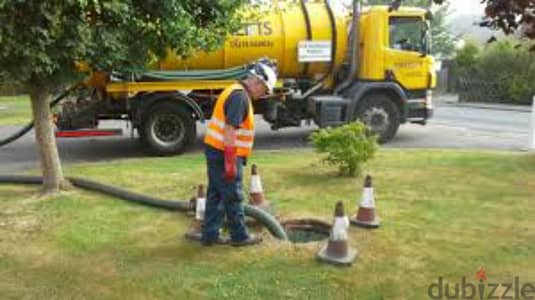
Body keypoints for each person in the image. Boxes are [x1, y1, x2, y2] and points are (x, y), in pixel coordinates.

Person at [201, 61, 277, 247]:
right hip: (224, 153)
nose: (263, 94)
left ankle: (210, 235)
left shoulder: (234, 90)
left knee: (216, 194)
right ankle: (240, 236)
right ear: (257, 82)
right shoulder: (240, 97)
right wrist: (229, 162)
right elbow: (229, 129)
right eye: (265, 90)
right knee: (233, 196)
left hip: (215, 150)